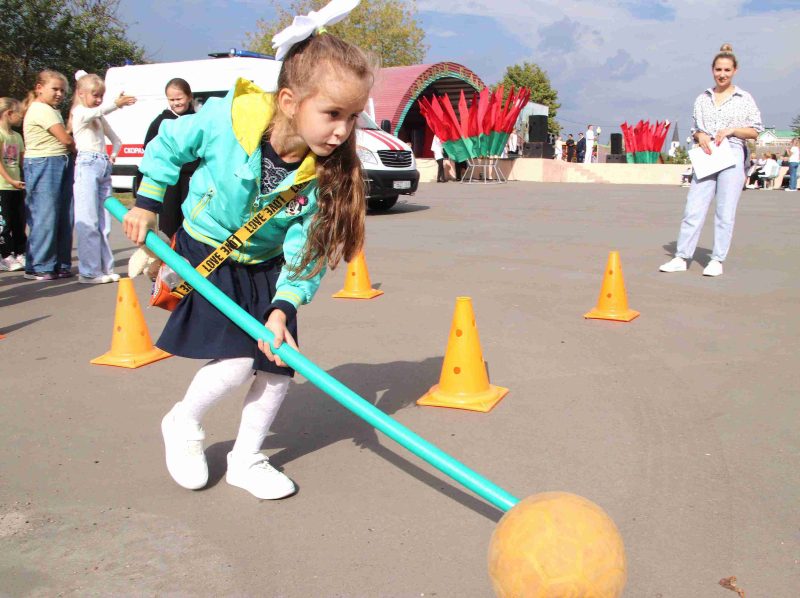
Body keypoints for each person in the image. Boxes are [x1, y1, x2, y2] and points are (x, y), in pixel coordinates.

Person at [122, 20, 373, 500]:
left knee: (279, 366)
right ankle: (183, 422)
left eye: (353, 116)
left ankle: (246, 459)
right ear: (288, 102)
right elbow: (171, 145)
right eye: (332, 113)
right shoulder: (226, 119)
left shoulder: (322, 173)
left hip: (266, 266)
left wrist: (284, 307)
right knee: (238, 361)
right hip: (208, 249)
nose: (342, 131)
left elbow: (308, 247)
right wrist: (147, 202)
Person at [660, 44, 762, 277]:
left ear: (735, 70)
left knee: (725, 210)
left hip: (732, 153)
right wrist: (700, 135)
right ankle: (682, 256)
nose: (722, 74)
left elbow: (755, 131)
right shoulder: (703, 98)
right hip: (707, 154)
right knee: (693, 207)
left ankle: (717, 259)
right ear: (712, 70)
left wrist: (732, 130)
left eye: (727, 70)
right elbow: (696, 129)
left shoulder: (744, 98)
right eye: (718, 69)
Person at [70, 71, 137, 284]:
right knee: (88, 219)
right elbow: (96, 111)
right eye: (94, 94)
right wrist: (116, 103)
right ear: (81, 94)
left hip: (102, 166)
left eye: (101, 95)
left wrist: (113, 156)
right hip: (86, 165)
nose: (98, 99)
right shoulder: (79, 112)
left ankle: (105, 268)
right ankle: (89, 271)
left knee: (104, 222)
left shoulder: (97, 116)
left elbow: (116, 139)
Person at [22, 70, 75, 281]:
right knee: (45, 215)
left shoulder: (52, 110)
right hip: (44, 162)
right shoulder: (41, 109)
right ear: (39, 88)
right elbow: (66, 139)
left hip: (57, 161)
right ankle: (39, 265)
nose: (60, 94)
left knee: (63, 215)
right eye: (55, 89)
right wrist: (76, 148)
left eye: (63, 90)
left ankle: (60, 263)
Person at [135, 78, 198, 237]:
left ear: (189, 97)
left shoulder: (198, 121)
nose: (176, 103)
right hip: (169, 180)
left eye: (179, 98)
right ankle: (169, 252)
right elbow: (150, 150)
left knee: (190, 218)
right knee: (169, 219)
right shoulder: (160, 122)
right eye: (172, 99)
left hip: (192, 178)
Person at [0, 98, 26, 272]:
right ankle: (5, 255)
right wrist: (10, 180)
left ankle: (20, 252)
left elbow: (22, 162)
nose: (22, 118)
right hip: (3, 186)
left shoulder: (17, 137)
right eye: (20, 114)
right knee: (5, 223)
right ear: (9, 113)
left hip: (17, 187)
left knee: (19, 222)